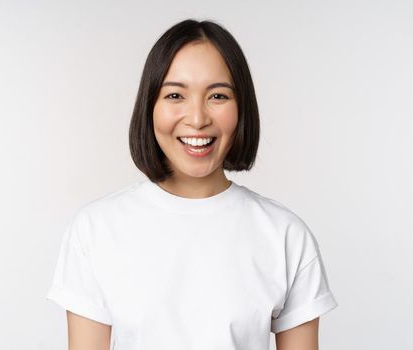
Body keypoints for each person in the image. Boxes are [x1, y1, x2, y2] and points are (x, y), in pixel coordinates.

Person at [47, 18, 338, 350]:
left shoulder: (285, 235)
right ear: (150, 107)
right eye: (175, 95)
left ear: (241, 108)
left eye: (217, 95)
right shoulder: (96, 230)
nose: (197, 118)